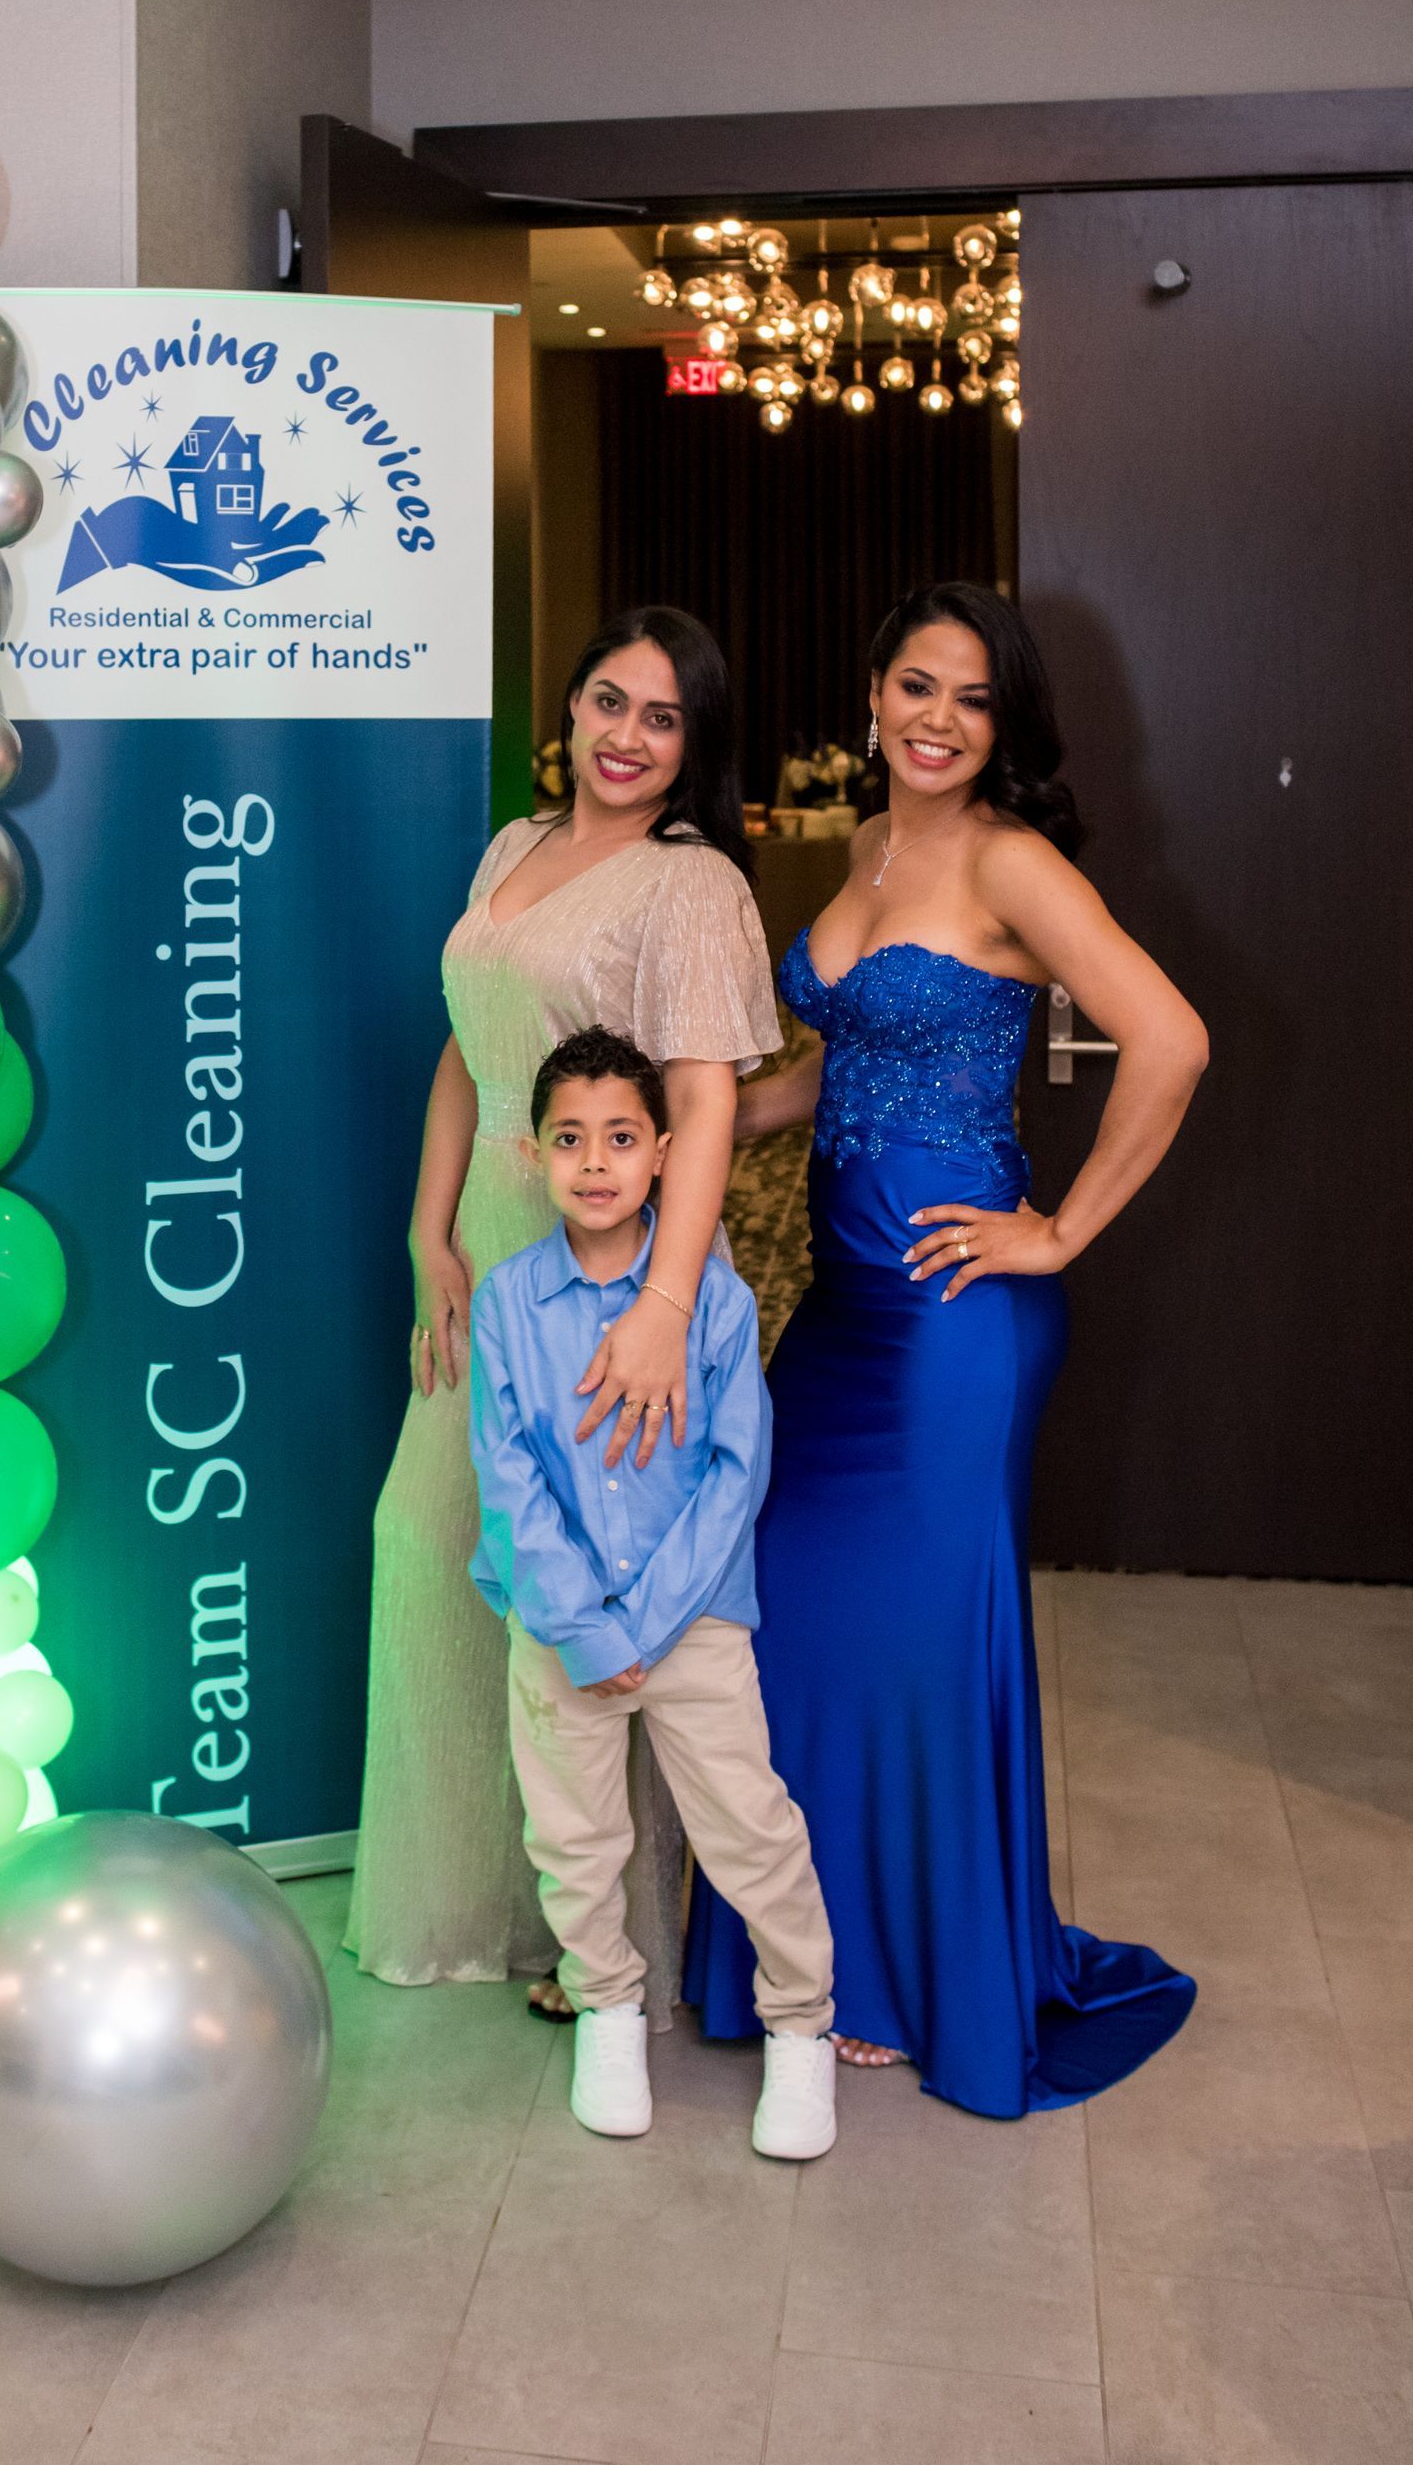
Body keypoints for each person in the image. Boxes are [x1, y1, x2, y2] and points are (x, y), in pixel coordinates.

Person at [685, 580, 1206, 2117]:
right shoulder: (866, 848)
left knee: (913, 1646)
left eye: (971, 700)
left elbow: (1168, 1040)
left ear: (1003, 726)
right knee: (785, 1613)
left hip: (955, 1322)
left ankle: (905, 1979)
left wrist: (1056, 1230)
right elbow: (829, 1076)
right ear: (874, 692)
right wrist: (697, 1124)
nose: (936, 718)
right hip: (844, 1318)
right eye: (917, 684)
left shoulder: (1008, 859)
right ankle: (805, 1949)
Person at [345, 607, 779, 2015]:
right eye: (608, 699)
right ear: (571, 704)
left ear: (693, 746)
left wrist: (663, 1305)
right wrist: (429, 1231)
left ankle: (605, 1945)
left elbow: (705, 1102)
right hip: (489, 1242)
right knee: (430, 1544)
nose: (625, 736)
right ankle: (489, 1907)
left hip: (607, 1255)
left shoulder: (692, 883)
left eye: (662, 718)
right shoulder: (514, 850)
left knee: (590, 1590)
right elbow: (469, 1056)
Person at [469, 1027, 837, 2155]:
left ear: (665, 1154)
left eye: (621, 1139)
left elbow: (736, 1474)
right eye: (571, 1140)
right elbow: (508, 1478)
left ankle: (802, 2029)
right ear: (533, 1156)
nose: (595, 1163)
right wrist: (585, 1628)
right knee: (574, 1839)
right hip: (557, 1629)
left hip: (693, 1621)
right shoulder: (506, 1305)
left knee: (749, 1828)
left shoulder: (711, 1306)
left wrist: (647, 1624)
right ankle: (609, 2008)